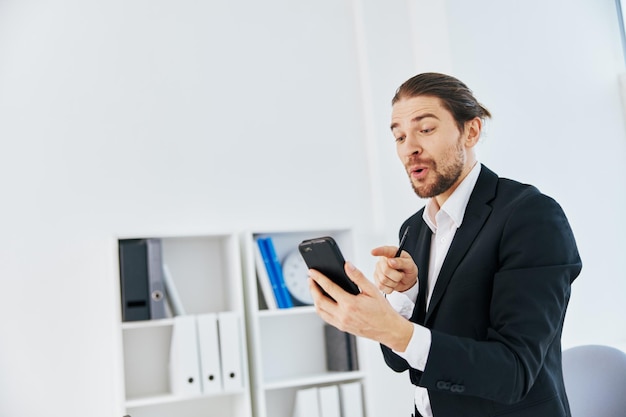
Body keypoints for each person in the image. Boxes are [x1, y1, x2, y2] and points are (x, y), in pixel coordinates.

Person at [308, 72, 582, 417]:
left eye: (425, 129)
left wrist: (395, 329)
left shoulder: (531, 216)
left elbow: (513, 373)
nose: (410, 147)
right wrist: (403, 296)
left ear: (471, 131)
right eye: (399, 136)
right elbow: (399, 359)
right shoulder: (414, 229)